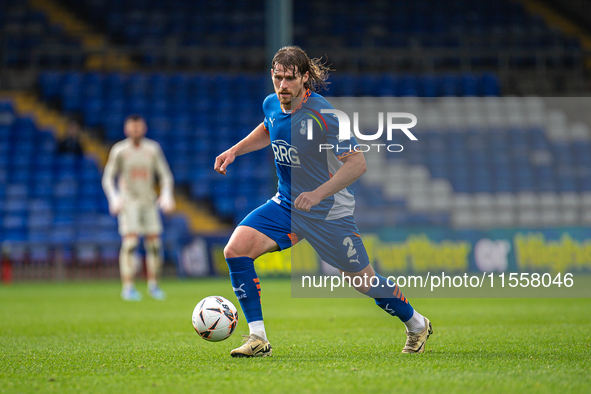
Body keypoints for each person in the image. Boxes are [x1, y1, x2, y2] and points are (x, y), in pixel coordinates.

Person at [214, 46, 433, 357]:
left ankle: (417, 324)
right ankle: (257, 338)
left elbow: (357, 164)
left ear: (305, 78)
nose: (282, 86)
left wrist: (317, 194)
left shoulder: (325, 115)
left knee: (364, 282)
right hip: (287, 205)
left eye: (290, 79)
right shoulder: (272, 103)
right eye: (277, 78)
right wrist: (235, 150)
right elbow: (268, 127)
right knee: (235, 249)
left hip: (328, 211)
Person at [102, 114, 175, 301]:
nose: (135, 130)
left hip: (148, 201)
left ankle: (154, 285)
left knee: (154, 244)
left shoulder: (152, 149)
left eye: (138, 127)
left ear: (144, 128)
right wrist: (114, 197)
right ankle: (128, 286)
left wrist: (166, 195)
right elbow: (108, 177)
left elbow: (165, 175)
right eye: (132, 127)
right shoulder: (119, 150)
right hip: (129, 202)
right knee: (131, 243)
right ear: (126, 129)